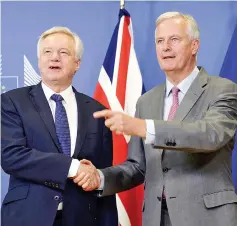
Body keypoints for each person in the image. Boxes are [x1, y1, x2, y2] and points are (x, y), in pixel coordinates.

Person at [80, 12, 237, 226]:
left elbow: (209, 135)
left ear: (194, 46)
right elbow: (137, 167)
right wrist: (100, 178)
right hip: (156, 218)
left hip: (207, 217)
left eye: (174, 39)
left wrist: (146, 127)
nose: (165, 47)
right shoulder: (146, 101)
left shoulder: (223, 90)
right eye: (160, 41)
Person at [1, 26, 118, 226]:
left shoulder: (97, 111)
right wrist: (73, 167)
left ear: (77, 63)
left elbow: (101, 177)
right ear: (39, 61)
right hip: (27, 217)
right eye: (47, 52)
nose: (55, 58)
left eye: (63, 52)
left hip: (83, 219)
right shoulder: (12, 102)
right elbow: (11, 156)